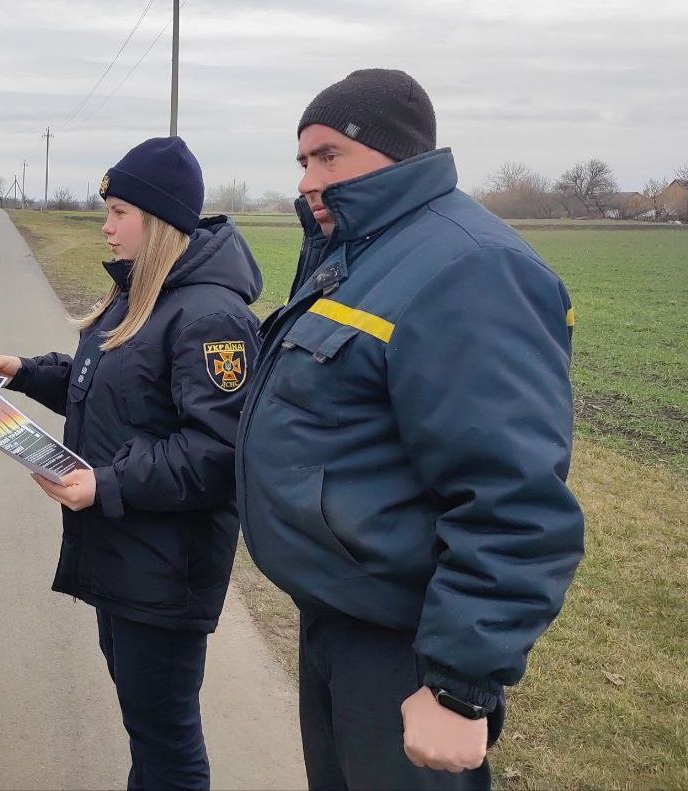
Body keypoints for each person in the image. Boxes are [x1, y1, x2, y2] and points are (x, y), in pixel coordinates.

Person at [235, 69, 584, 789]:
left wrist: (460, 685)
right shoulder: (356, 255)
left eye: (329, 155)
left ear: (395, 153)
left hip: (405, 647)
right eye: (303, 160)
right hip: (336, 619)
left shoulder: (467, 267)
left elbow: (513, 497)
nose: (308, 178)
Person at [0, 137, 262, 791]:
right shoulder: (138, 297)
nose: (106, 224)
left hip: (165, 571)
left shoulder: (212, 317)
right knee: (148, 734)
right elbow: (107, 384)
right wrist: (22, 371)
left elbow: (218, 451)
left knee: (169, 746)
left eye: (119, 210)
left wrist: (108, 481)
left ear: (158, 221)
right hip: (126, 557)